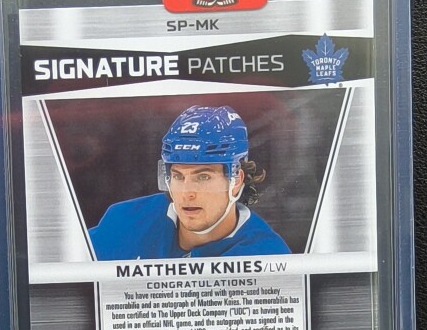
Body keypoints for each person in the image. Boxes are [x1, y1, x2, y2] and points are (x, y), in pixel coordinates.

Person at [88, 105, 291, 259]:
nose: (187, 193)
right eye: (178, 176)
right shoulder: (124, 220)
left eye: (203, 177)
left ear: (236, 180)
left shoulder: (267, 256)